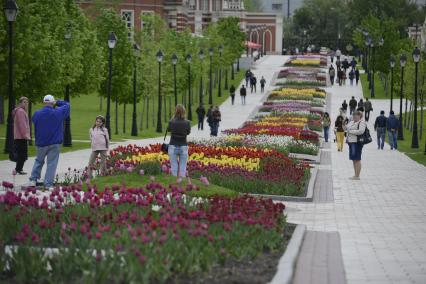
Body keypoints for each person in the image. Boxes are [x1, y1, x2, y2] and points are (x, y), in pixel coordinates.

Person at [28, 95, 70, 189]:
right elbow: (67, 105)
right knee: (52, 164)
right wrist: (58, 102)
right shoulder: (58, 112)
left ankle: (33, 180)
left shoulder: (37, 113)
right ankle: (48, 184)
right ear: (52, 102)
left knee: (39, 161)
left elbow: (34, 121)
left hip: (41, 143)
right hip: (54, 143)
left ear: (44, 102)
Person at [168, 104, 191, 177]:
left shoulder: (171, 121)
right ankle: (181, 183)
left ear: (175, 111)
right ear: (184, 112)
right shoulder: (187, 122)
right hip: (183, 145)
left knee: (174, 166)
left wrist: (172, 118)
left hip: (173, 145)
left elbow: (169, 129)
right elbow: (188, 132)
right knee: (183, 167)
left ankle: (174, 182)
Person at [344, 111, 366, 180]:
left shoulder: (362, 123)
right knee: (353, 159)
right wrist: (343, 124)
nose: (355, 117)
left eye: (356, 115)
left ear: (360, 116)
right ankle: (355, 175)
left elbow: (361, 131)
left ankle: (357, 176)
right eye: (354, 115)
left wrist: (350, 131)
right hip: (351, 142)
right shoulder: (351, 122)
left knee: (357, 158)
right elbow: (346, 129)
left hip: (356, 143)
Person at [12, 97, 30, 175]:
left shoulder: (20, 111)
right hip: (21, 137)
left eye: (27, 102)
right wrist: (25, 135)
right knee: (22, 154)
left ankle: (18, 169)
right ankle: (19, 169)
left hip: (20, 136)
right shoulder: (21, 112)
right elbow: (22, 125)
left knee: (21, 153)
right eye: (24, 102)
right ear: (20, 103)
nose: (26, 104)